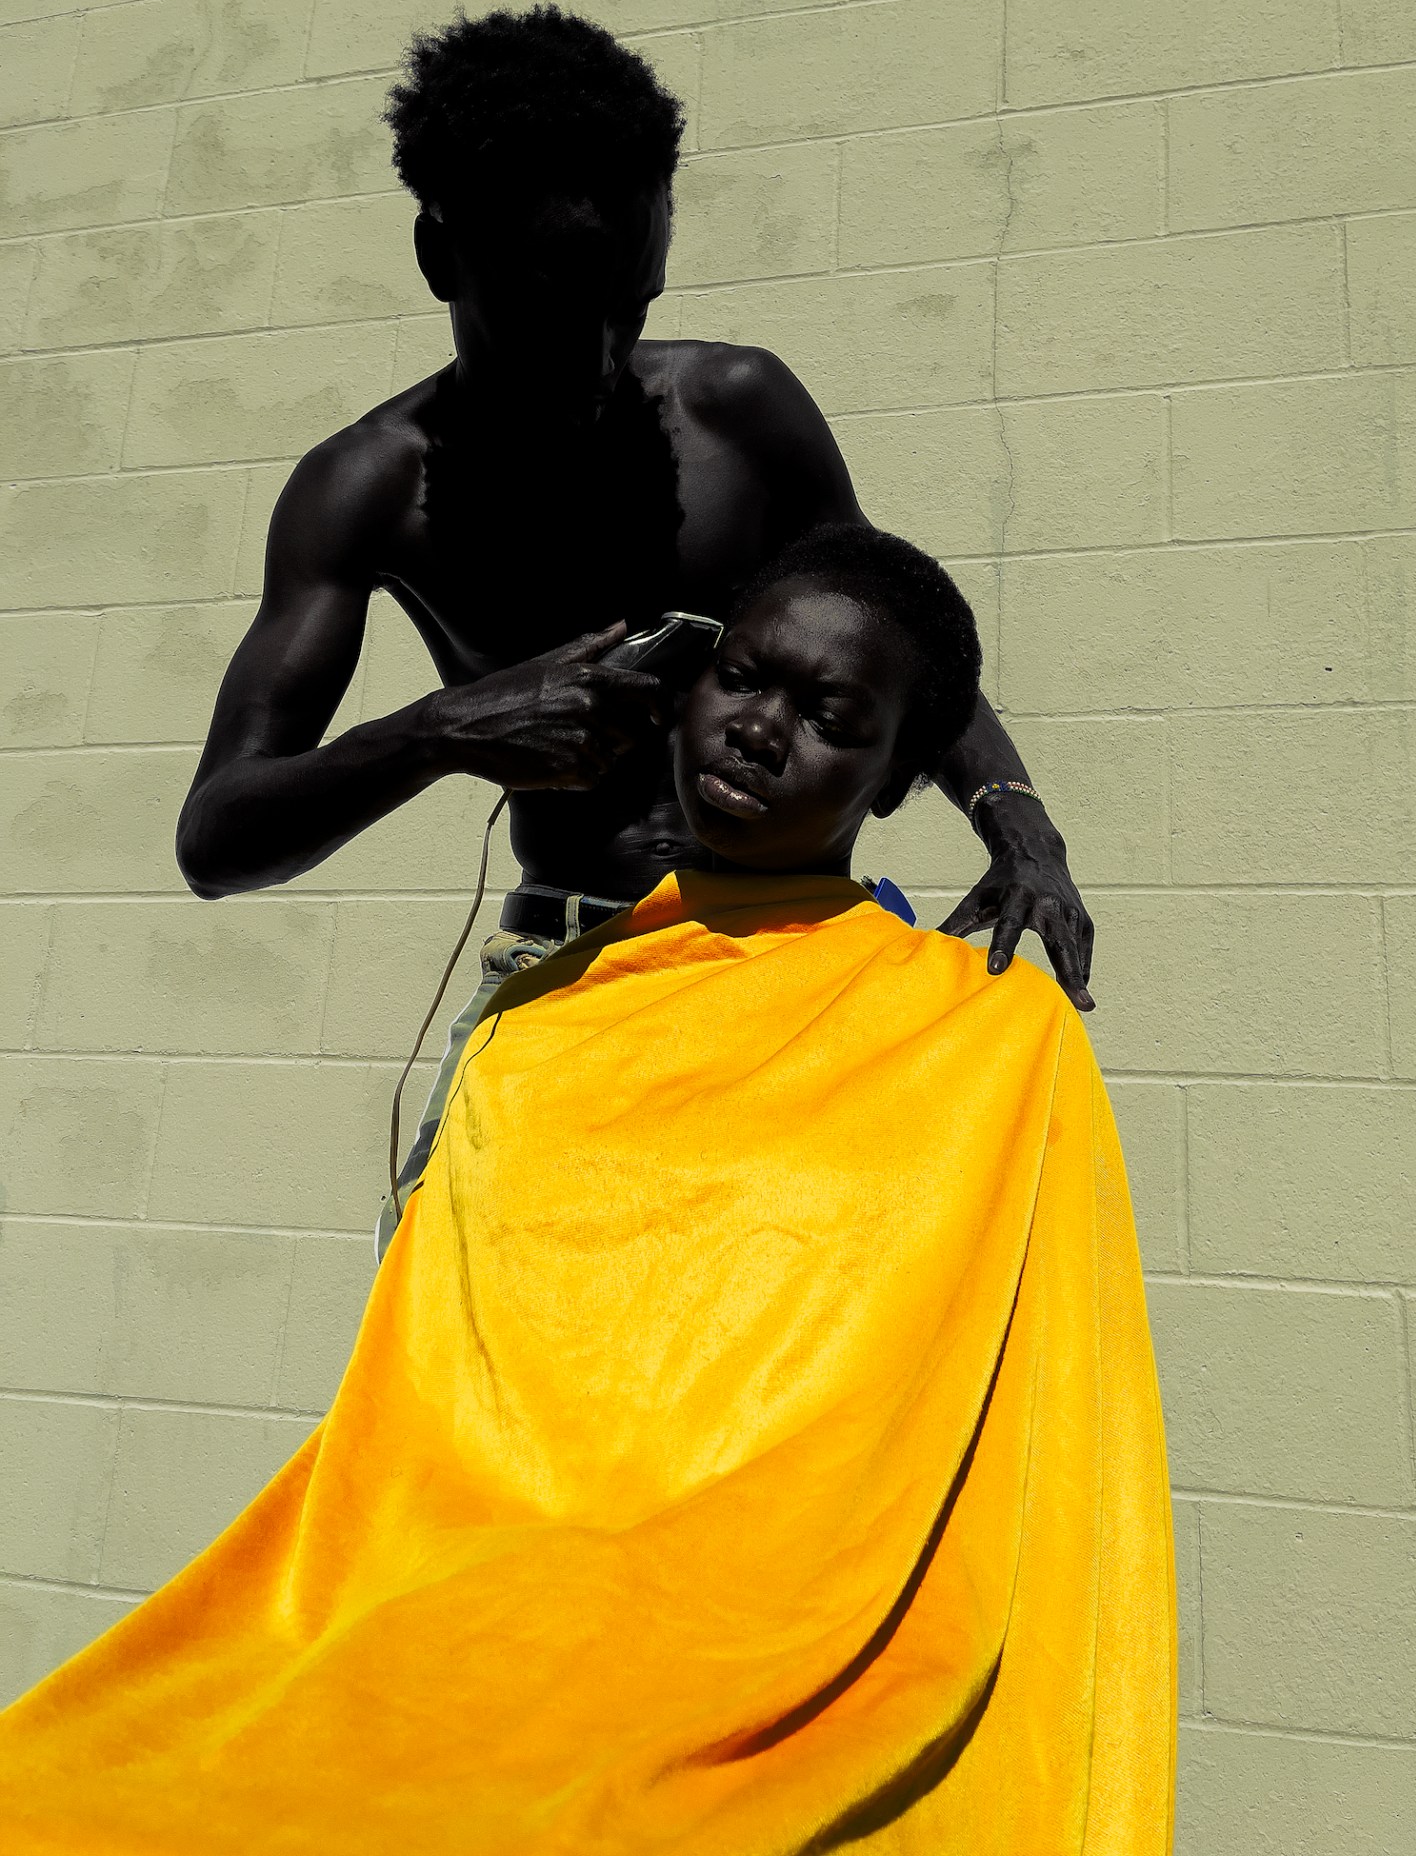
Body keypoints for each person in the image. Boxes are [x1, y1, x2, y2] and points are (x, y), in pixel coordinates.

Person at [0, 528, 1174, 1854]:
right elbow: (446, 1427)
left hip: (784, 1618)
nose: (761, 731)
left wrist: (1021, 816)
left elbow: (1030, 1412)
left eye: (832, 717)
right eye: (743, 679)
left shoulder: (982, 1035)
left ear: (903, 774)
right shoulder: (540, 1027)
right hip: (491, 1596)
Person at [174, 4, 1096, 1020]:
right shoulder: (362, 490)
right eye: (555, 317)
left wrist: (1018, 820)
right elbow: (217, 840)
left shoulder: (740, 412)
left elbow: (902, 640)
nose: (604, 359)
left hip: (790, 947)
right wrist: (435, 735)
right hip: (566, 965)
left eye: (635, 305)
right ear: (442, 259)